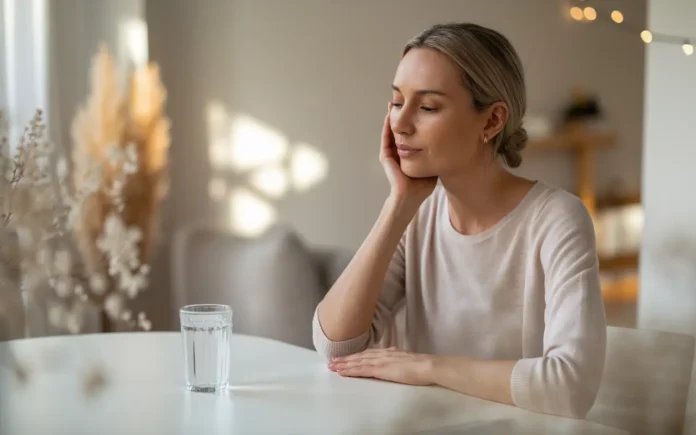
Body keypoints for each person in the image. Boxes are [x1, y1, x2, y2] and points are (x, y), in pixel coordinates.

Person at [311, 22, 607, 419]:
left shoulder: (556, 220)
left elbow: (570, 388)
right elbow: (335, 345)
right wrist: (398, 203)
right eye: (397, 101)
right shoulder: (418, 214)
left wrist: (426, 366)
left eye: (428, 107)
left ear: (491, 121)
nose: (400, 123)